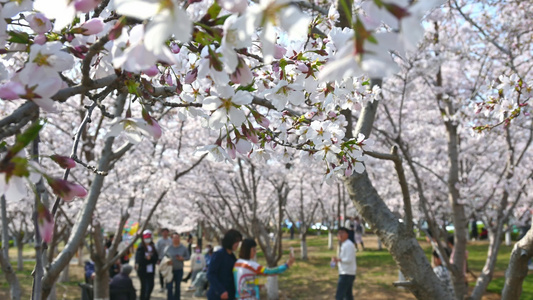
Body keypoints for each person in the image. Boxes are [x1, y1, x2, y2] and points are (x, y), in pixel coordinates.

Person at [207, 229, 243, 300]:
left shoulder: (232, 256)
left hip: (230, 294)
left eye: (239, 242)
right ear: (230, 241)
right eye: (236, 241)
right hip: (218, 295)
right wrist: (221, 291)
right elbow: (211, 274)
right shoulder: (219, 255)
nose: (238, 244)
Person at [331, 227, 356, 300]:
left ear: (347, 234)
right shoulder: (342, 244)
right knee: (348, 295)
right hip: (346, 273)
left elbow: (349, 259)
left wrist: (338, 260)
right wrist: (336, 261)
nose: (340, 235)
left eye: (342, 232)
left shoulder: (348, 244)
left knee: (340, 296)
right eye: (339, 233)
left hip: (346, 274)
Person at [164, 232, 190, 300]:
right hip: (170, 270)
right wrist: (167, 261)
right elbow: (164, 257)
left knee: (177, 286)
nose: (176, 239)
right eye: (174, 238)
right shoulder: (168, 248)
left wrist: (182, 258)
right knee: (169, 286)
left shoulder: (183, 248)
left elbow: (188, 257)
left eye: (177, 238)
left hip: (179, 270)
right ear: (172, 239)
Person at [135, 229, 159, 300]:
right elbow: (139, 260)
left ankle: (147, 297)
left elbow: (156, 257)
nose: (147, 240)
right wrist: (147, 259)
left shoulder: (153, 246)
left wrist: (150, 258)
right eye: (146, 238)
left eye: (149, 238)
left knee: (151, 285)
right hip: (142, 270)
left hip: (151, 270)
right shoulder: (140, 247)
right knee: (144, 287)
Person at [156, 228, 172, 292]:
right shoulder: (159, 241)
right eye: (164, 232)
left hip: (168, 259)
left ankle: (167, 286)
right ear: (162, 233)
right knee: (161, 273)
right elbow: (157, 250)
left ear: (168, 233)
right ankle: (162, 286)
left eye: (166, 232)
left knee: (168, 272)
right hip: (161, 258)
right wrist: (157, 259)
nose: (165, 233)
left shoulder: (170, 240)